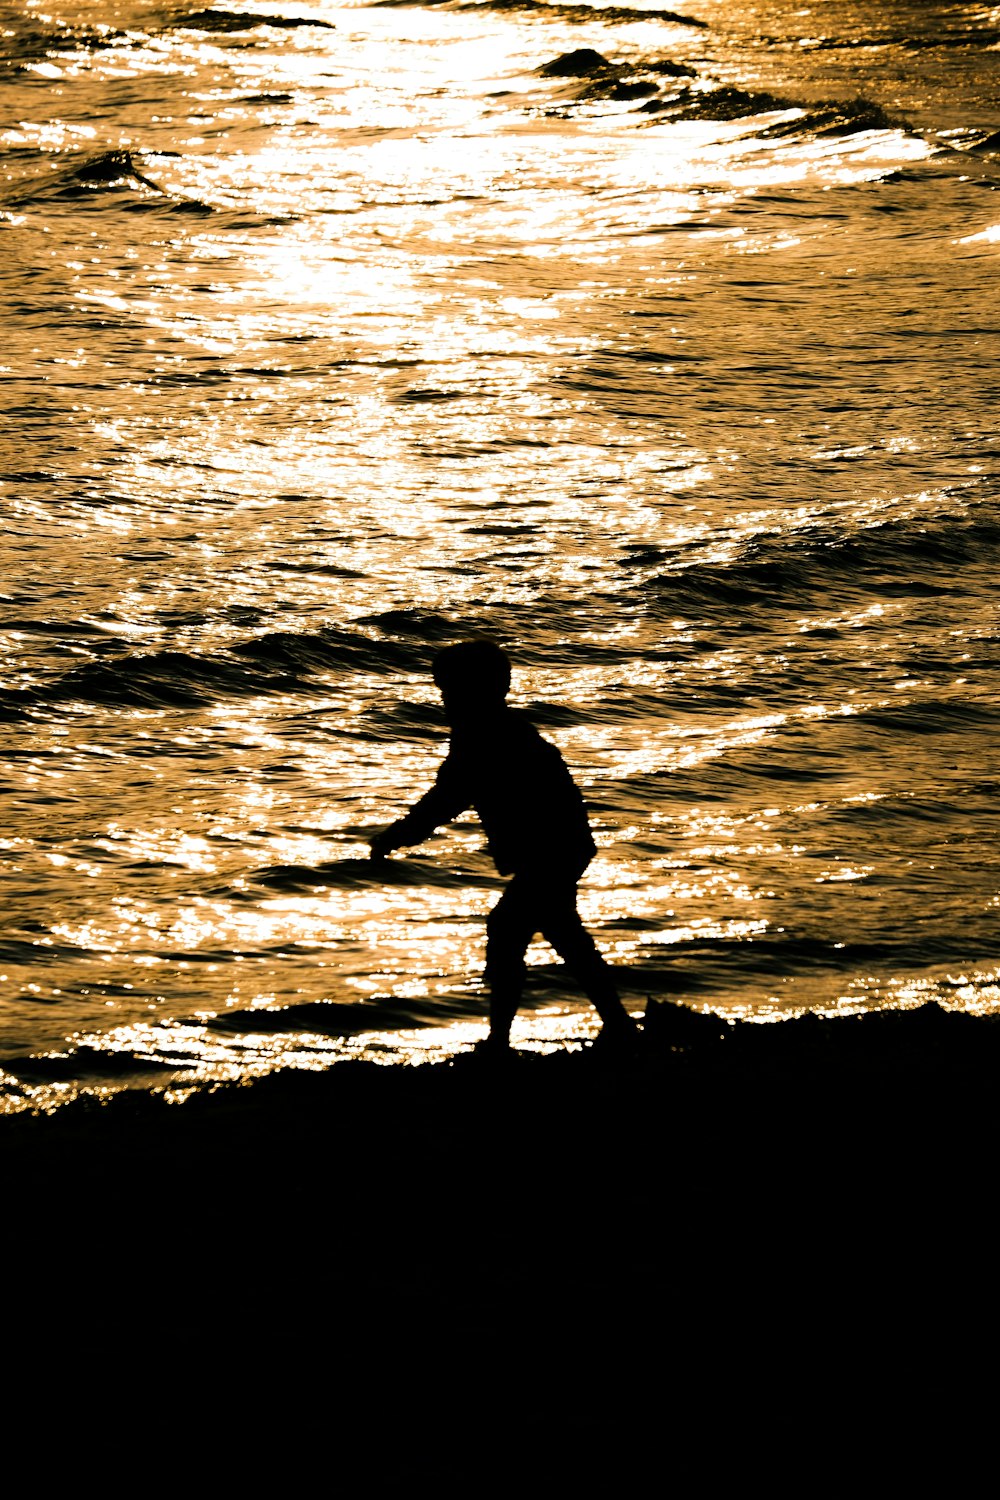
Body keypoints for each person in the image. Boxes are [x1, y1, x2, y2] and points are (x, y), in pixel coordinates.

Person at [369, 640, 637, 1055]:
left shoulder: (486, 734)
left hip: (552, 849)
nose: (443, 700)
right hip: (563, 847)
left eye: (449, 690)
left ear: (479, 689)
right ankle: (616, 1025)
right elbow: (452, 795)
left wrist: (394, 837)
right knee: (564, 935)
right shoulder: (501, 728)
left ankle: (501, 1041)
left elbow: (446, 798)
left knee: (509, 932)